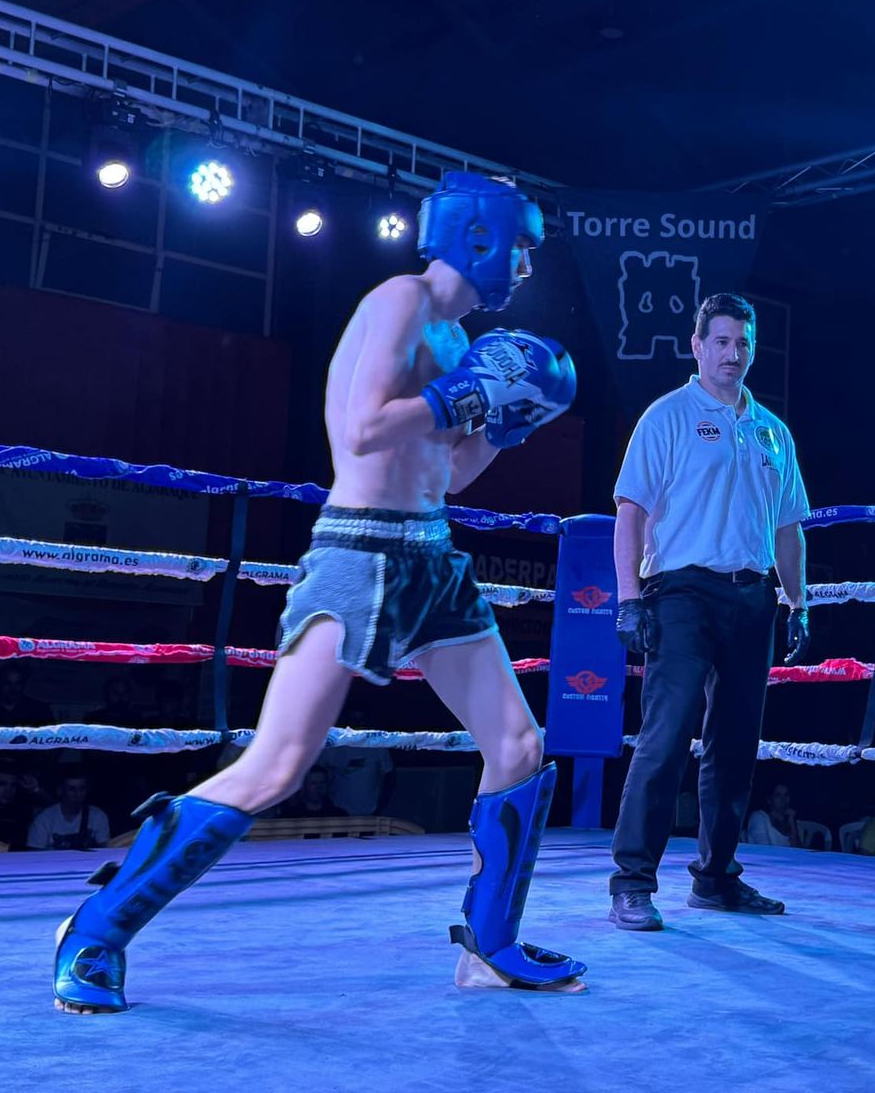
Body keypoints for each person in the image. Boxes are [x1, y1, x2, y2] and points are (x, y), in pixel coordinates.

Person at [51, 172, 584, 1013]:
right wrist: (457, 397)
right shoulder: (400, 301)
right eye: (518, 245)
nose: (523, 265)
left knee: (518, 744)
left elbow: (444, 473)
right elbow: (361, 432)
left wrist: (503, 426)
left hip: (430, 556)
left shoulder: (456, 342)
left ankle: (491, 945)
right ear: (477, 235)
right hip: (358, 554)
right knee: (277, 764)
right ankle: (97, 929)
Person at [609, 292, 811, 930]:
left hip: (752, 596)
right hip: (681, 593)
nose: (733, 354)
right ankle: (631, 881)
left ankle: (717, 878)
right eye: (721, 341)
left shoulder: (774, 431)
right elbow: (631, 512)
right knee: (666, 734)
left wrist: (796, 600)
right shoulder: (666, 416)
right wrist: (627, 600)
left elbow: (788, 528)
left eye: (743, 343)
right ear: (697, 347)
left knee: (735, 743)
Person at [27, 771, 111, 851]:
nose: (78, 794)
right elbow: (35, 856)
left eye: (82, 788)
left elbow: (104, 851)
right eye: (72, 789)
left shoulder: (98, 816)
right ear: (60, 790)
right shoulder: (43, 820)